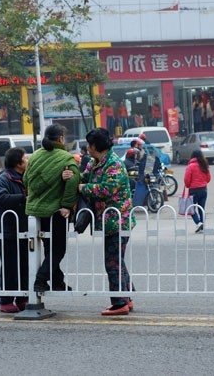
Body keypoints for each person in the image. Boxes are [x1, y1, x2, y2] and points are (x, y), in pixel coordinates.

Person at [79, 127, 136, 316]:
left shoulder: (114, 164)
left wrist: (82, 188)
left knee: (112, 262)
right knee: (117, 261)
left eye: (89, 144)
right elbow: (85, 177)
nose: (87, 148)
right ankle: (126, 297)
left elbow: (106, 189)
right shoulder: (96, 162)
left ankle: (119, 302)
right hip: (108, 221)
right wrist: (72, 177)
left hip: (117, 221)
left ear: (94, 146)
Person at [23, 124, 80, 293]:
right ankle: (40, 280)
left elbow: (26, 180)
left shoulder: (34, 157)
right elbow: (72, 182)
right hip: (55, 213)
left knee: (50, 248)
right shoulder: (66, 158)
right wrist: (67, 205)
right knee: (58, 249)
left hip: (34, 212)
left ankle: (57, 282)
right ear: (61, 139)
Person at [0, 147, 29, 313]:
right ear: (18, 163)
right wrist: (24, 198)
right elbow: (1, 198)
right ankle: (6, 300)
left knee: (23, 265)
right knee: (9, 266)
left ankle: (22, 298)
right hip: (8, 230)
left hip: (23, 229)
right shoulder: (4, 178)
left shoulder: (25, 177)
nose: (28, 161)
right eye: (25, 158)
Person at [184, 150, 211, 233]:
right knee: (201, 209)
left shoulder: (190, 166)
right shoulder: (204, 165)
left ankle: (198, 223)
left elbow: (186, 179)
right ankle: (202, 225)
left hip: (194, 190)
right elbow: (208, 178)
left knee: (191, 209)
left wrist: (188, 185)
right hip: (203, 190)